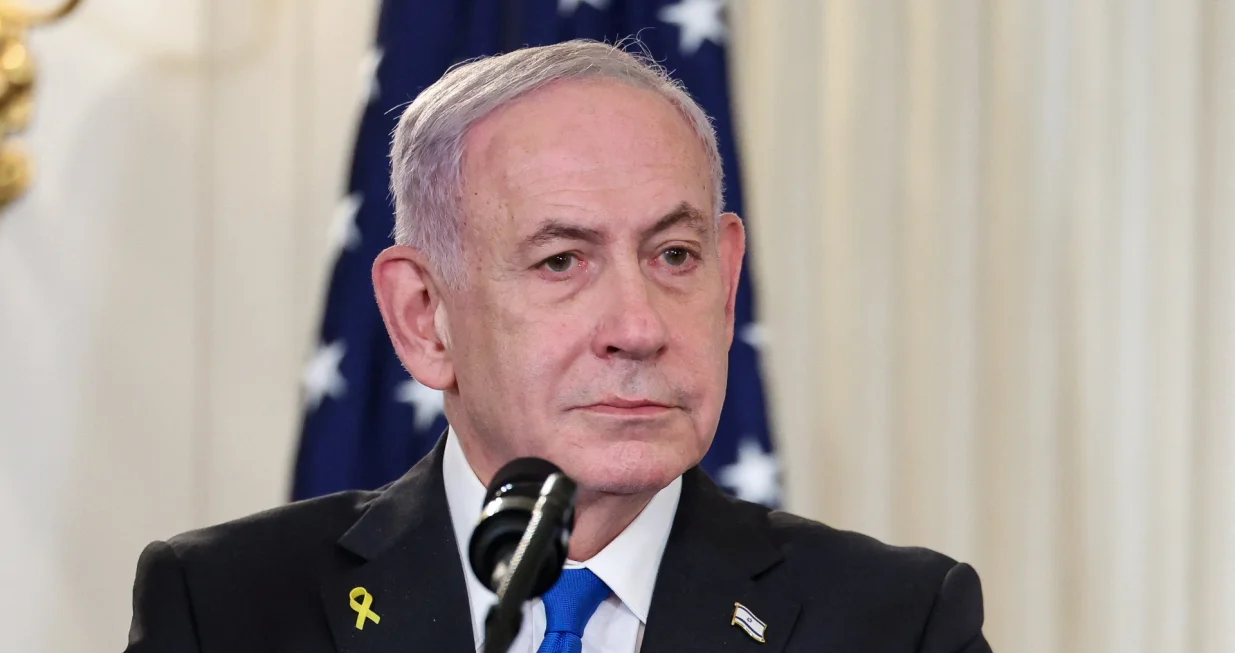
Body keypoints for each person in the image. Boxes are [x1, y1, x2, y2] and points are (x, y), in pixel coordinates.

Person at [123, 40, 992, 653]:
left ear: (726, 285)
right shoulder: (229, 607)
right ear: (425, 317)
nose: (639, 327)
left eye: (674, 256)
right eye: (561, 260)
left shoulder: (898, 621)